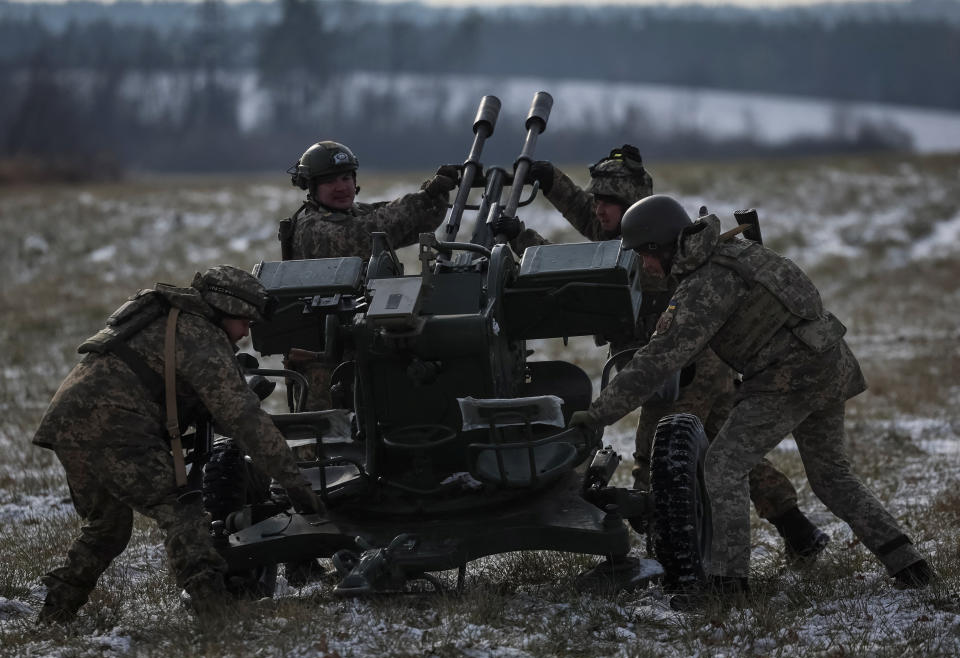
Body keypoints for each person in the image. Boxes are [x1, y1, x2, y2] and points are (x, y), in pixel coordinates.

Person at [569, 195, 933, 606]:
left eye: (644, 255)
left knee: (723, 466)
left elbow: (656, 361)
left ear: (661, 246)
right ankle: (910, 565)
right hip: (830, 362)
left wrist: (596, 415)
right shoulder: (732, 253)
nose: (645, 267)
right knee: (832, 476)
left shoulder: (705, 284)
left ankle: (728, 587)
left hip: (789, 377)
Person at [521, 146, 827, 561]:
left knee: (658, 463)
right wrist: (552, 181)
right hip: (692, 365)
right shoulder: (633, 239)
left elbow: (581, 281)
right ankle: (798, 530)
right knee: (723, 448)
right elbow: (589, 217)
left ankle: (669, 554)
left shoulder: (648, 257)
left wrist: (524, 241)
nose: (598, 209)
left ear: (632, 209)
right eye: (597, 200)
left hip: (683, 370)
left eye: (608, 202)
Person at [32, 266, 322, 624]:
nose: (246, 332)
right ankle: (216, 613)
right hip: (114, 424)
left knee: (107, 529)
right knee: (182, 512)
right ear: (223, 309)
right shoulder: (200, 335)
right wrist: (294, 483)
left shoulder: (173, 320)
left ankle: (54, 614)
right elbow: (244, 418)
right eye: (244, 321)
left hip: (68, 421)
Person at [278, 140, 458, 411]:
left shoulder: (352, 213)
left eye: (346, 177)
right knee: (330, 443)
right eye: (330, 182)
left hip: (364, 343)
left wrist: (435, 195)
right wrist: (423, 197)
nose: (341, 187)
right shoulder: (312, 227)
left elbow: (414, 222)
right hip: (326, 364)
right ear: (311, 187)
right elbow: (367, 233)